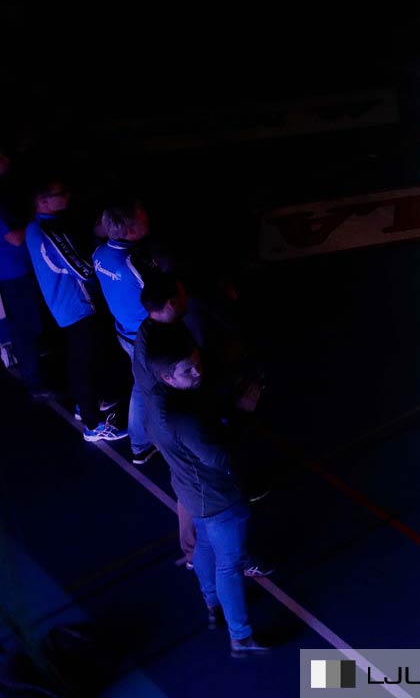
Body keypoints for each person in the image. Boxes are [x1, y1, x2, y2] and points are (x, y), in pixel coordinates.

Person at [141, 319, 270, 657]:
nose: (198, 373)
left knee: (204, 547)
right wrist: (242, 413)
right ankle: (240, 637)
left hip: (189, 490)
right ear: (169, 376)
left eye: (197, 364)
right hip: (218, 499)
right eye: (189, 371)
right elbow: (220, 457)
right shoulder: (184, 419)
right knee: (229, 564)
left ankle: (212, 602)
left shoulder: (154, 399)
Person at [25, 177, 125, 442]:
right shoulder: (49, 229)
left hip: (68, 305)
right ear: (43, 201)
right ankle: (92, 425)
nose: (68, 196)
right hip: (77, 305)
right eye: (61, 193)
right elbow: (79, 267)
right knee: (83, 364)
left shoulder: (37, 228)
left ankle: (87, 405)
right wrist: (106, 266)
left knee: (85, 359)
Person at [93, 199, 159, 465]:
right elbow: (159, 296)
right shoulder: (134, 262)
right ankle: (140, 445)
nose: (148, 220)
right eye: (143, 219)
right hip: (144, 336)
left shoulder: (99, 254)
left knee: (142, 384)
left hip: (123, 330)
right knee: (143, 389)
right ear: (131, 231)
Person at [1, 150, 48, 393]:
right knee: (24, 327)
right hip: (15, 272)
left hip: (13, 271)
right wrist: (37, 216)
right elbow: (16, 238)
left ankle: (35, 376)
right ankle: (35, 382)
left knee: (25, 326)